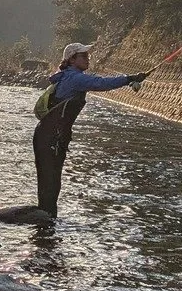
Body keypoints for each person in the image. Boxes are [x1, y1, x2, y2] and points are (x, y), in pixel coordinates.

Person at [32, 43, 148, 219]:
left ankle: (47, 226)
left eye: (88, 55)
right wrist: (129, 78)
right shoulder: (74, 78)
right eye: (84, 56)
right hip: (49, 138)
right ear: (72, 59)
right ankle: (45, 224)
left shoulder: (70, 76)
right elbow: (100, 83)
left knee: (52, 184)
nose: (88, 59)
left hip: (50, 136)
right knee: (51, 183)